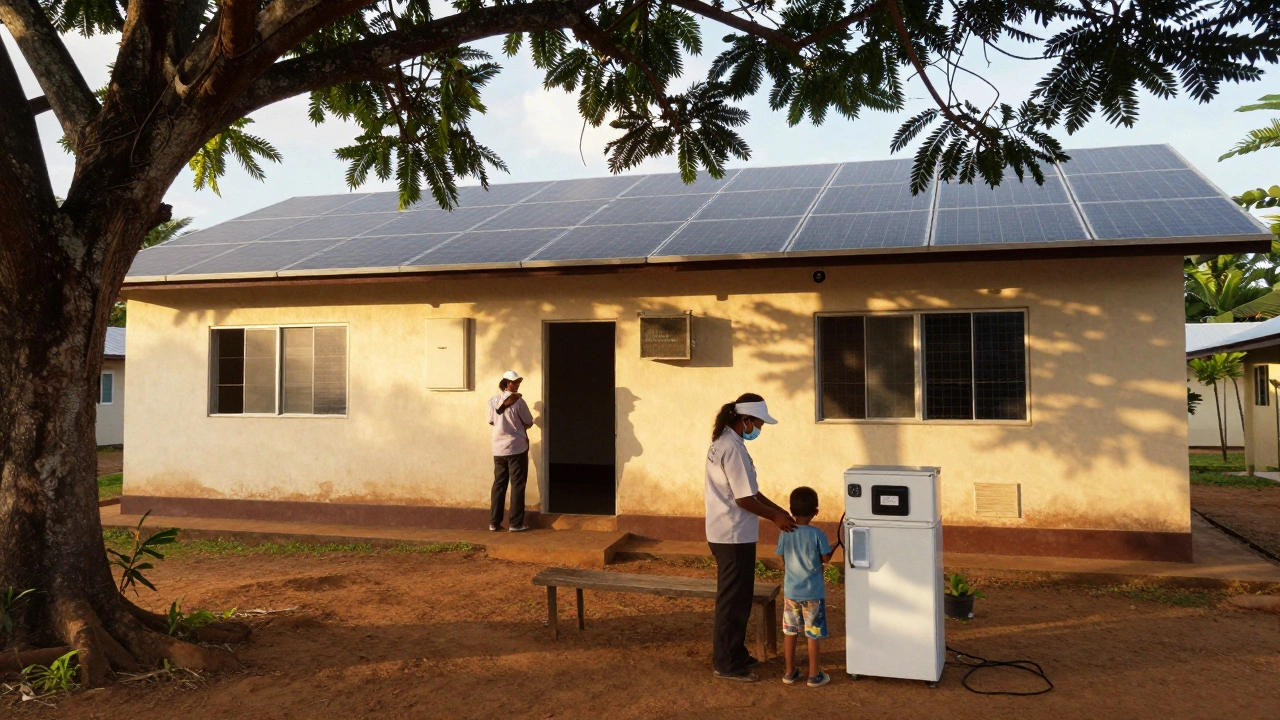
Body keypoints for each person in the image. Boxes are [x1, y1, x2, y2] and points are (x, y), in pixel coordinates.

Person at [704, 393, 796, 683]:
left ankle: (736, 652)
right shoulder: (731, 449)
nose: (760, 429)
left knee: (740, 597)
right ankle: (726, 663)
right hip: (731, 535)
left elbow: (751, 491)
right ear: (745, 420)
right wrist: (774, 517)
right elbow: (745, 499)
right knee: (732, 600)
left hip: (731, 533)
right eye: (758, 423)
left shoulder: (727, 444)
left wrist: (778, 510)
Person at [776, 486, 834, 688]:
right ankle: (813, 675)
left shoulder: (785, 532)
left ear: (791, 510)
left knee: (790, 632)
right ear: (816, 511)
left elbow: (782, 556)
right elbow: (826, 559)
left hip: (791, 592)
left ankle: (789, 672)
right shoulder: (818, 534)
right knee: (813, 633)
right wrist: (833, 547)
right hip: (813, 593)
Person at [488, 370, 534, 532]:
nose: (517, 384)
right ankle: (516, 523)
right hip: (516, 448)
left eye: (518, 381)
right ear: (507, 383)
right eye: (514, 382)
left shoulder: (493, 400)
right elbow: (528, 421)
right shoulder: (519, 402)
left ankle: (494, 522)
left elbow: (492, 421)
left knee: (499, 485)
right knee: (517, 485)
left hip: (499, 449)